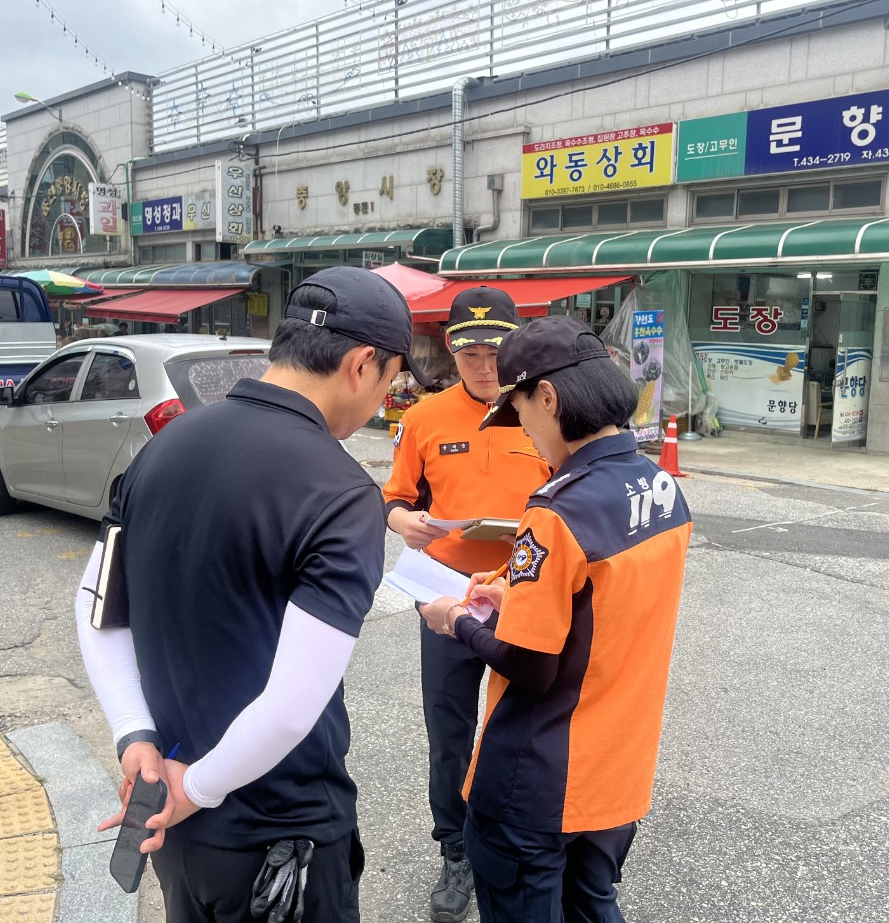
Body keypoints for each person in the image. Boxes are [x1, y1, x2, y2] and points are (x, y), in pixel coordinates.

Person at [75, 265, 426, 923]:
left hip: (174, 827)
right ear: (361, 364)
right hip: (280, 842)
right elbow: (292, 709)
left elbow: (97, 610)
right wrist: (198, 787)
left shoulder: (163, 448)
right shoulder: (341, 493)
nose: (384, 398)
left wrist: (135, 737)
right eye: (390, 380)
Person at [419, 315, 693, 922]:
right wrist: (513, 592)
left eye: (518, 412)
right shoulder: (661, 486)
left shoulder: (556, 511)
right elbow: (601, 604)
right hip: (618, 766)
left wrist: (457, 620)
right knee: (593, 904)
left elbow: (530, 665)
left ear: (547, 397)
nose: (523, 431)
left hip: (540, 775)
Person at [383, 286, 551, 922]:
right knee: (449, 727)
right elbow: (396, 496)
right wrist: (402, 522)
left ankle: (519, 835)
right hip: (447, 590)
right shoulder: (425, 417)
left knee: (526, 725)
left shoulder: (540, 409)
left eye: (495, 352)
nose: (484, 366)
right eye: (469, 353)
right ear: (450, 352)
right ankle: (454, 847)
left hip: (525, 589)